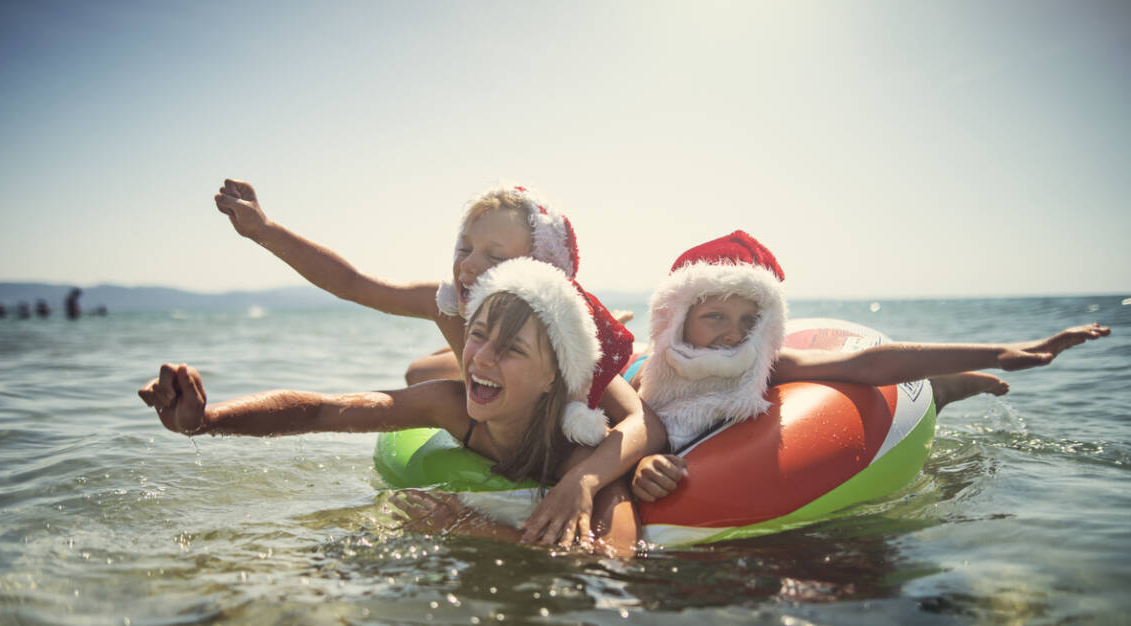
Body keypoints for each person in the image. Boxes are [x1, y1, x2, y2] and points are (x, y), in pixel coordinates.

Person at [214, 179, 665, 543]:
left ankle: (612, 336)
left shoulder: (565, 345)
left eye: (494, 255)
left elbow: (642, 422)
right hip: (487, 391)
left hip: (537, 402)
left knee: (434, 373)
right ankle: (455, 361)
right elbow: (352, 283)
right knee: (421, 373)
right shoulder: (448, 304)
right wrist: (264, 230)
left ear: (538, 270)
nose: (469, 266)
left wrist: (587, 478)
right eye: (464, 247)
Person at [140, 258, 641, 556]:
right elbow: (321, 411)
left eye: (511, 349)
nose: (481, 359)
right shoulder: (451, 403)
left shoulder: (580, 453)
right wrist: (207, 422)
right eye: (479, 336)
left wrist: (470, 528)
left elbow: (611, 559)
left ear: (554, 375)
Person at [628, 232, 1111, 502]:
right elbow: (622, 440)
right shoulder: (649, 379)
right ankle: (946, 387)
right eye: (715, 317)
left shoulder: (766, 366)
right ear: (677, 318)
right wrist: (643, 464)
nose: (734, 334)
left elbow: (864, 364)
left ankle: (945, 389)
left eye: (749, 320)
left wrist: (998, 350)